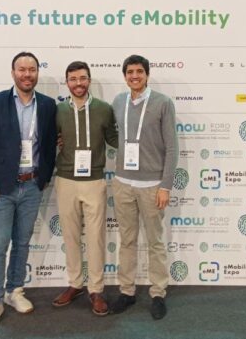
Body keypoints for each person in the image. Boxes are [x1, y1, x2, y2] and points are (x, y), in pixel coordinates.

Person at [0, 52, 57, 329]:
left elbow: (48, 145)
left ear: (37, 73)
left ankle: (14, 291)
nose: (27, 74)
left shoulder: (46, 105)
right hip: (1, 187)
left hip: (32, 185)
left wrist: (43, 178)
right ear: (13, 73)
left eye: (31, 69)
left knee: (22, 242)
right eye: (21, 69)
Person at [110, 54, 178, 320]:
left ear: (147, 75)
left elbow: (172, 148)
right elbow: (115, 136)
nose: (134, 76)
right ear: (125, 76)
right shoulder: (118, 102)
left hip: (152, 186)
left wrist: (165, 186)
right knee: (126, 240)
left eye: (139, 71)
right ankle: (126, 291)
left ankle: (158, 292)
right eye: (130, 72)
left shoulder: (163, 103)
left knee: (155, 242)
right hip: (123, 183)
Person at [52, 61, 118, 316]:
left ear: (89, 80)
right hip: (66, 180)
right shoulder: (58, 110)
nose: (78, 83)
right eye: (73, 79)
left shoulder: (104, 109)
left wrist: (142, 143)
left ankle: (96, 289)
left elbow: (114, 140)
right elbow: (50, 140)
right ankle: (75, 284)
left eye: (82, 78)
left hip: (94, 180)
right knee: (70, 236)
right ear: (67, 82)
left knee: (95, 237)